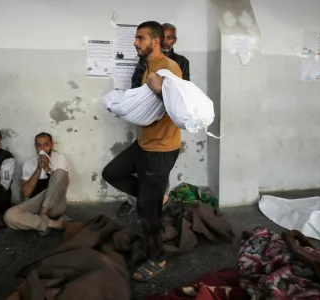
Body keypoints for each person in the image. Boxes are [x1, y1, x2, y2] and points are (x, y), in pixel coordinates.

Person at [102, 21, 182, 281]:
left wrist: (158, 89)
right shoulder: (148, 65)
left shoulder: (169, 67)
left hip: (161, 150)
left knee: (147, 211)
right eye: (136, 38)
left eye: (140, 38)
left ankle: (157, 258)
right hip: (144, 144)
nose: (135, 42)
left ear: (155, 41)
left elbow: (177, 104)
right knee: (112, 172)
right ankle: (155, 199)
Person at [4, 132, 70, 235]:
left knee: (60, 173)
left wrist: (47, 168)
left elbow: (60, 182)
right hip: (35, 203)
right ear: (35, 146)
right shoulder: (28, 163)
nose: (42, 148)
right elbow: (26, 193)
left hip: (54, 205)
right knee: (9, 216)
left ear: (52, 144)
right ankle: (54, 223)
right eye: (39, 145)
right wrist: (39, 169)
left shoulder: (60, 158)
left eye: (46, 144)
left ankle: (42, 216)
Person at [131, 23, 190, 89]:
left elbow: (183, 90)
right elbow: (135, 85)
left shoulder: (181, 62)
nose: (165, 41)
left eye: (169, 38)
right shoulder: (145, 60)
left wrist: (157, 89)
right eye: (163, 37)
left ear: (174, 40)